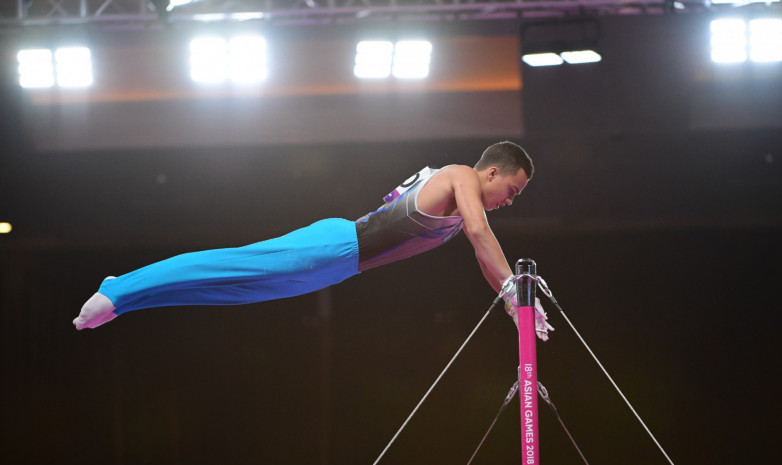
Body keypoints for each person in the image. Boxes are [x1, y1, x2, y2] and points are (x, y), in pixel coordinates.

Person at [73, 141, 553, 339]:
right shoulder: (460, 175)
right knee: (231, 266)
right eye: (510, 191)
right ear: (492, 171)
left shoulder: (463, 195)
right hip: (337, 245)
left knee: (229, 292)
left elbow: (483, 259)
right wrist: (514, 286)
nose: (507, 201)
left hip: (340, 267)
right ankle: (118, 287)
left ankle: (125, 302)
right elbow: (478, 234)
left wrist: (515, 306)